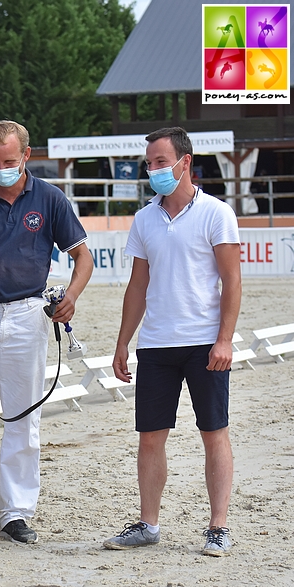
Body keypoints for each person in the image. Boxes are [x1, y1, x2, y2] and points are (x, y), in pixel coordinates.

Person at [0, 120, 93, 548]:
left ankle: (15, 514)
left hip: (28, 314)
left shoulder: (49, 198)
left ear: (26, 156)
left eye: (8, 161)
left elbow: (83, 257)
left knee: (24, 417)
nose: (0, 168)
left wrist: (73, 296)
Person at [103, 127, 241, 557]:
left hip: (204, 344)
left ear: (185, 162)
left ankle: (217, 526)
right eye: (150, 163)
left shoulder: (217, 213)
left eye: (161, 161)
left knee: (213, 433)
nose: (154, 169)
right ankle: (148, 524)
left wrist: (225, 340)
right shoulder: (145, 218)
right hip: (157, 345)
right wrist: (123, 342)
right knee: (149, 437)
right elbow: (138, 285)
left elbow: (232, 281)